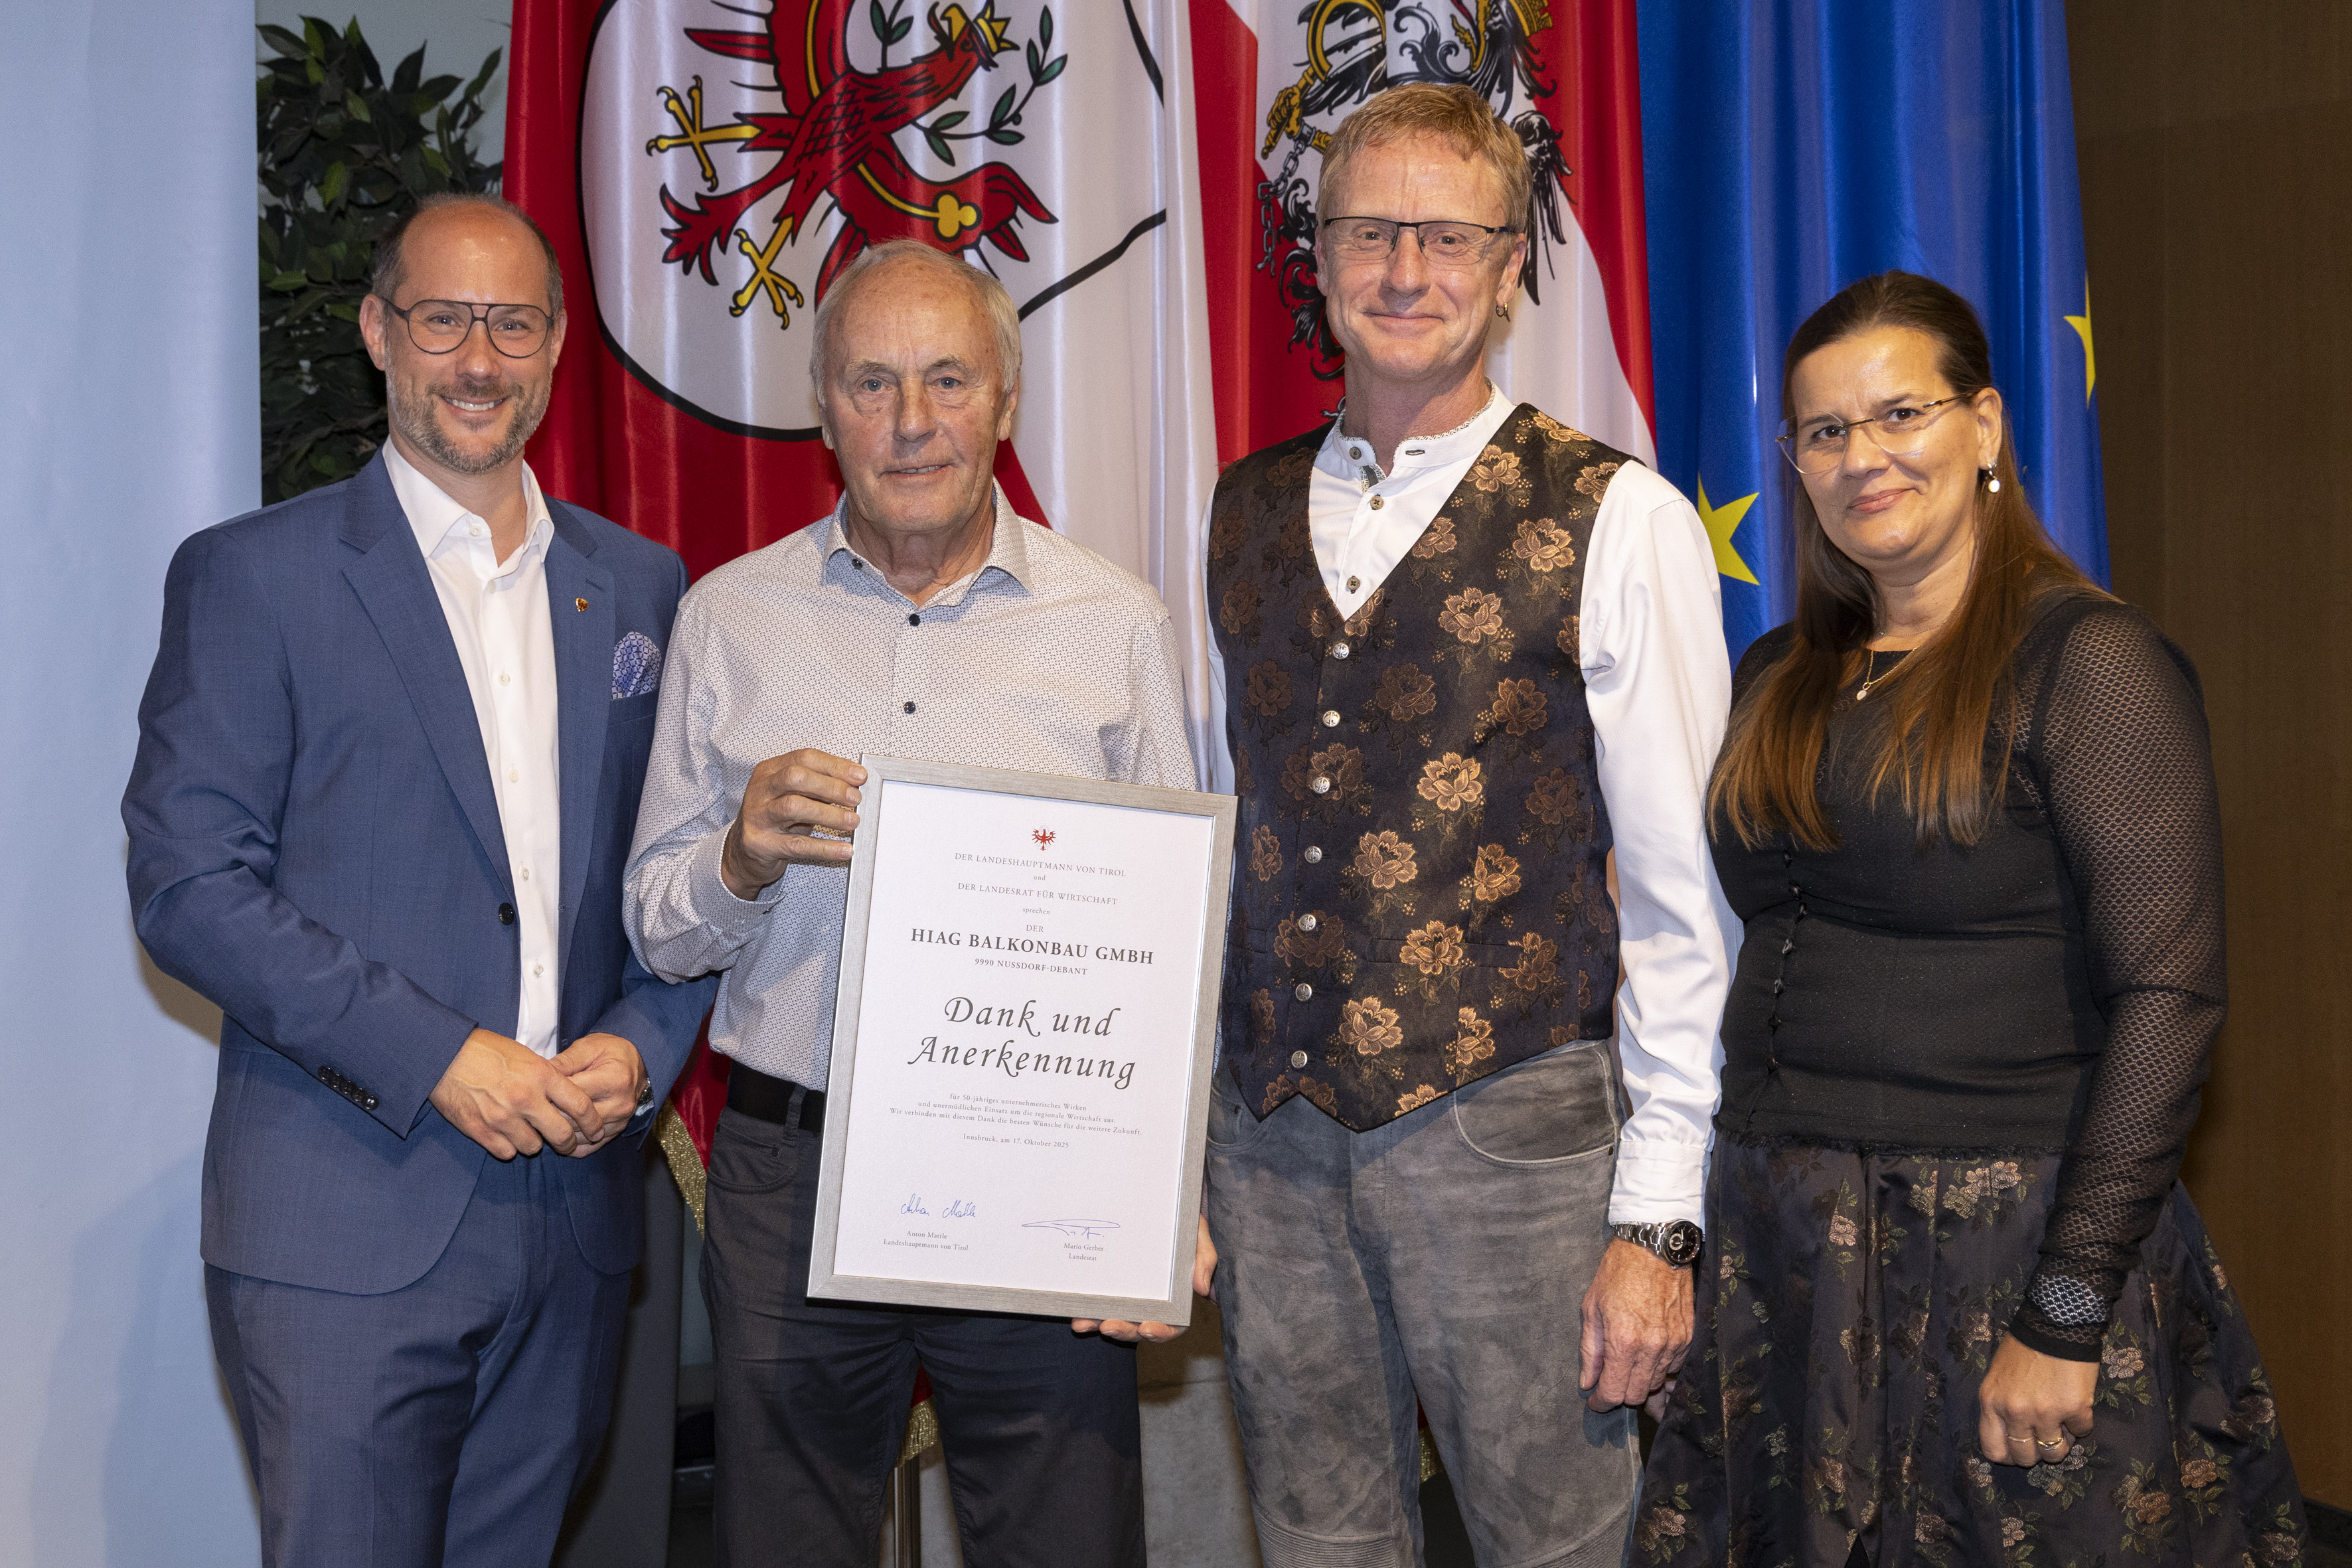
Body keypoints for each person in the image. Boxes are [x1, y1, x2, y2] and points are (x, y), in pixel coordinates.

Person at [1636, 270, 2312, 1567]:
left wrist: (2063, 1311)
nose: (1860, 456)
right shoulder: (1776, 670)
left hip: (2007, 1241)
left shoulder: (2087, 662)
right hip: (1783, 1243)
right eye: (1823, 430)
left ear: (1985, 424)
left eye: (1899, 413)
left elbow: (2168, 999)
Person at [122, 194, 716, 1567]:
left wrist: (641, 1039)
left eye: (511, 322)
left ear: (558, 346)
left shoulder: (640, 589)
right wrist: (440, 1052)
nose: (477, 357)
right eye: (442, 318)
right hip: (342, 1230)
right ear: (378, 332)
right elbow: (189, 882)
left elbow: (674, 876)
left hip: (570, 1228)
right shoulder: (251, 577)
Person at [1196, 83, 1737, 1567]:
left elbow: (1685, 901)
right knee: (1314, 1542)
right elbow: (1213, 855)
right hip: (1269, 1141)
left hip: (1514, 1133)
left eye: (1449, 234)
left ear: (1511, 265)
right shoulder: (1237, 512)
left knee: (1555, 1545)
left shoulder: (1616, 515)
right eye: (1369, 229)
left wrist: (1658, 1218)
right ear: (1317, 253)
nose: (1405, 269)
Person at [623, 238, 1196, 1567]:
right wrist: (740, 859)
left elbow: (1177, 945)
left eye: (947, 379)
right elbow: (656, 922)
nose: (912, 420)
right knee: (785, 1543)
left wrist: (1162, 1199)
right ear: (822, 406)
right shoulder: (727, 617)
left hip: (1044, 1172)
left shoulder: (1115, 625)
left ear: (1005, 397)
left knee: (1063, 1543)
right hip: (793, 1175)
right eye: (872, 383)